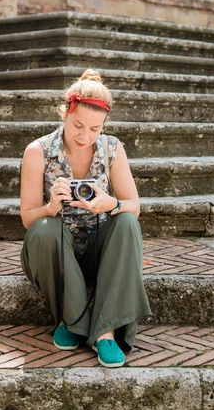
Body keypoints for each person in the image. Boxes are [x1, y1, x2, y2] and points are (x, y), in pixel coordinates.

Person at [20, 69, 152, 368]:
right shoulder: (37, 151)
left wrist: (109, 204)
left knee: (127, 222)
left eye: (95, 129)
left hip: (98, 250)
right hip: (56, 251)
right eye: (78, 125)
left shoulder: (112, 148)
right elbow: (28, 217)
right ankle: (71, 320)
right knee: (42, 229)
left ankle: (106, 331)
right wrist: (50, 208)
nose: (84, 136)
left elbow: (134, 205)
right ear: (65, 112)